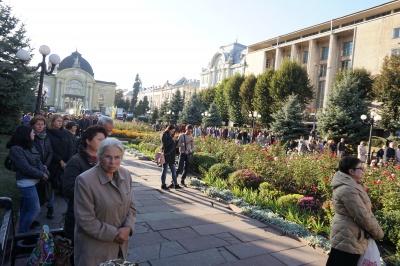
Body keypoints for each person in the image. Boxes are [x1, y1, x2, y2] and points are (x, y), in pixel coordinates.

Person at [74, 138, 136, 265]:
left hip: (120, 246)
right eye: (108, 156)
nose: (113, 162)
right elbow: (85, 220)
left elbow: (132, 205)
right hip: (95, 249)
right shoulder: (85, 180)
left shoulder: (126, 174)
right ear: (99, 156)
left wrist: (128, 228)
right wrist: (116, 234)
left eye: (117, 157)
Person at [327, 156, 384, 265]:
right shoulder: (348, 189)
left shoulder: (349, 185)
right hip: (350, 236)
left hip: (347, 233)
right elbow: (362, 216)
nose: (363, 170)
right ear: (351, 171)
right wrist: (379, 233)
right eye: (360, 168)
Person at [63, 125, 108, 243]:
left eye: (104, 140)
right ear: (88, 141)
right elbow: (68, 190)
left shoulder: (105, 161)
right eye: (99, 140)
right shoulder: (76, 161)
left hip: (101, 216)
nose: (103, 143)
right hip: (80, 217)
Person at [7, 126, 50, 233]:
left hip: (35, 182)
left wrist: (45, 172)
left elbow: (37, 161)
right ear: (25, 134)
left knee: (26, 209)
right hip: (26, 183)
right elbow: (25, 167)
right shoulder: (16, 149)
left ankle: (22, 234)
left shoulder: (29, 146)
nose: (34, 134)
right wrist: (41, 174)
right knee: (35, 209)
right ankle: (22, 233)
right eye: (32, 132)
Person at [46, 114, 76, 206]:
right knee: (51, 185)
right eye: (58, 121)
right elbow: (49, 149)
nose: (60, 123)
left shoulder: (66, 133)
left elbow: (71, 148)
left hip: (66, 163)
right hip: (53, 163)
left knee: (64, 184)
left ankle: (69, 206)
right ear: (52, 122)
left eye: (61, 121)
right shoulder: (47, 133)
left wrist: (68, 161)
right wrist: (60, 160)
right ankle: (50, 207)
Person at [30, 115, 53, 216]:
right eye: (38, 124)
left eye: (42, 124)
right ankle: (34, 210)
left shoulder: (46, 136)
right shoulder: (30, 136)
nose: (40, 126)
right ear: (33, 125)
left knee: (48, 186)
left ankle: (50, 207)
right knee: (35, 188)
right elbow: (30, 153)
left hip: (45, 165)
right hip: (35, 166)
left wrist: (46, 165)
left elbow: (50, 152)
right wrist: (40, 166)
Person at [160, 125, 181, 190]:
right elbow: (164, 144)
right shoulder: (164, 135)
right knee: (165, 170)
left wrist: (176, 140)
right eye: (172, 131)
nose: (172, 132)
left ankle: (176, 184)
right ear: (168, 129)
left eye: (174, 131)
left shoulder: (172, 135)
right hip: (166, 155)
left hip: (172, 155)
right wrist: (172, 139)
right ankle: (163, 184)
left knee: (174, 170)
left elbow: (174, 146)